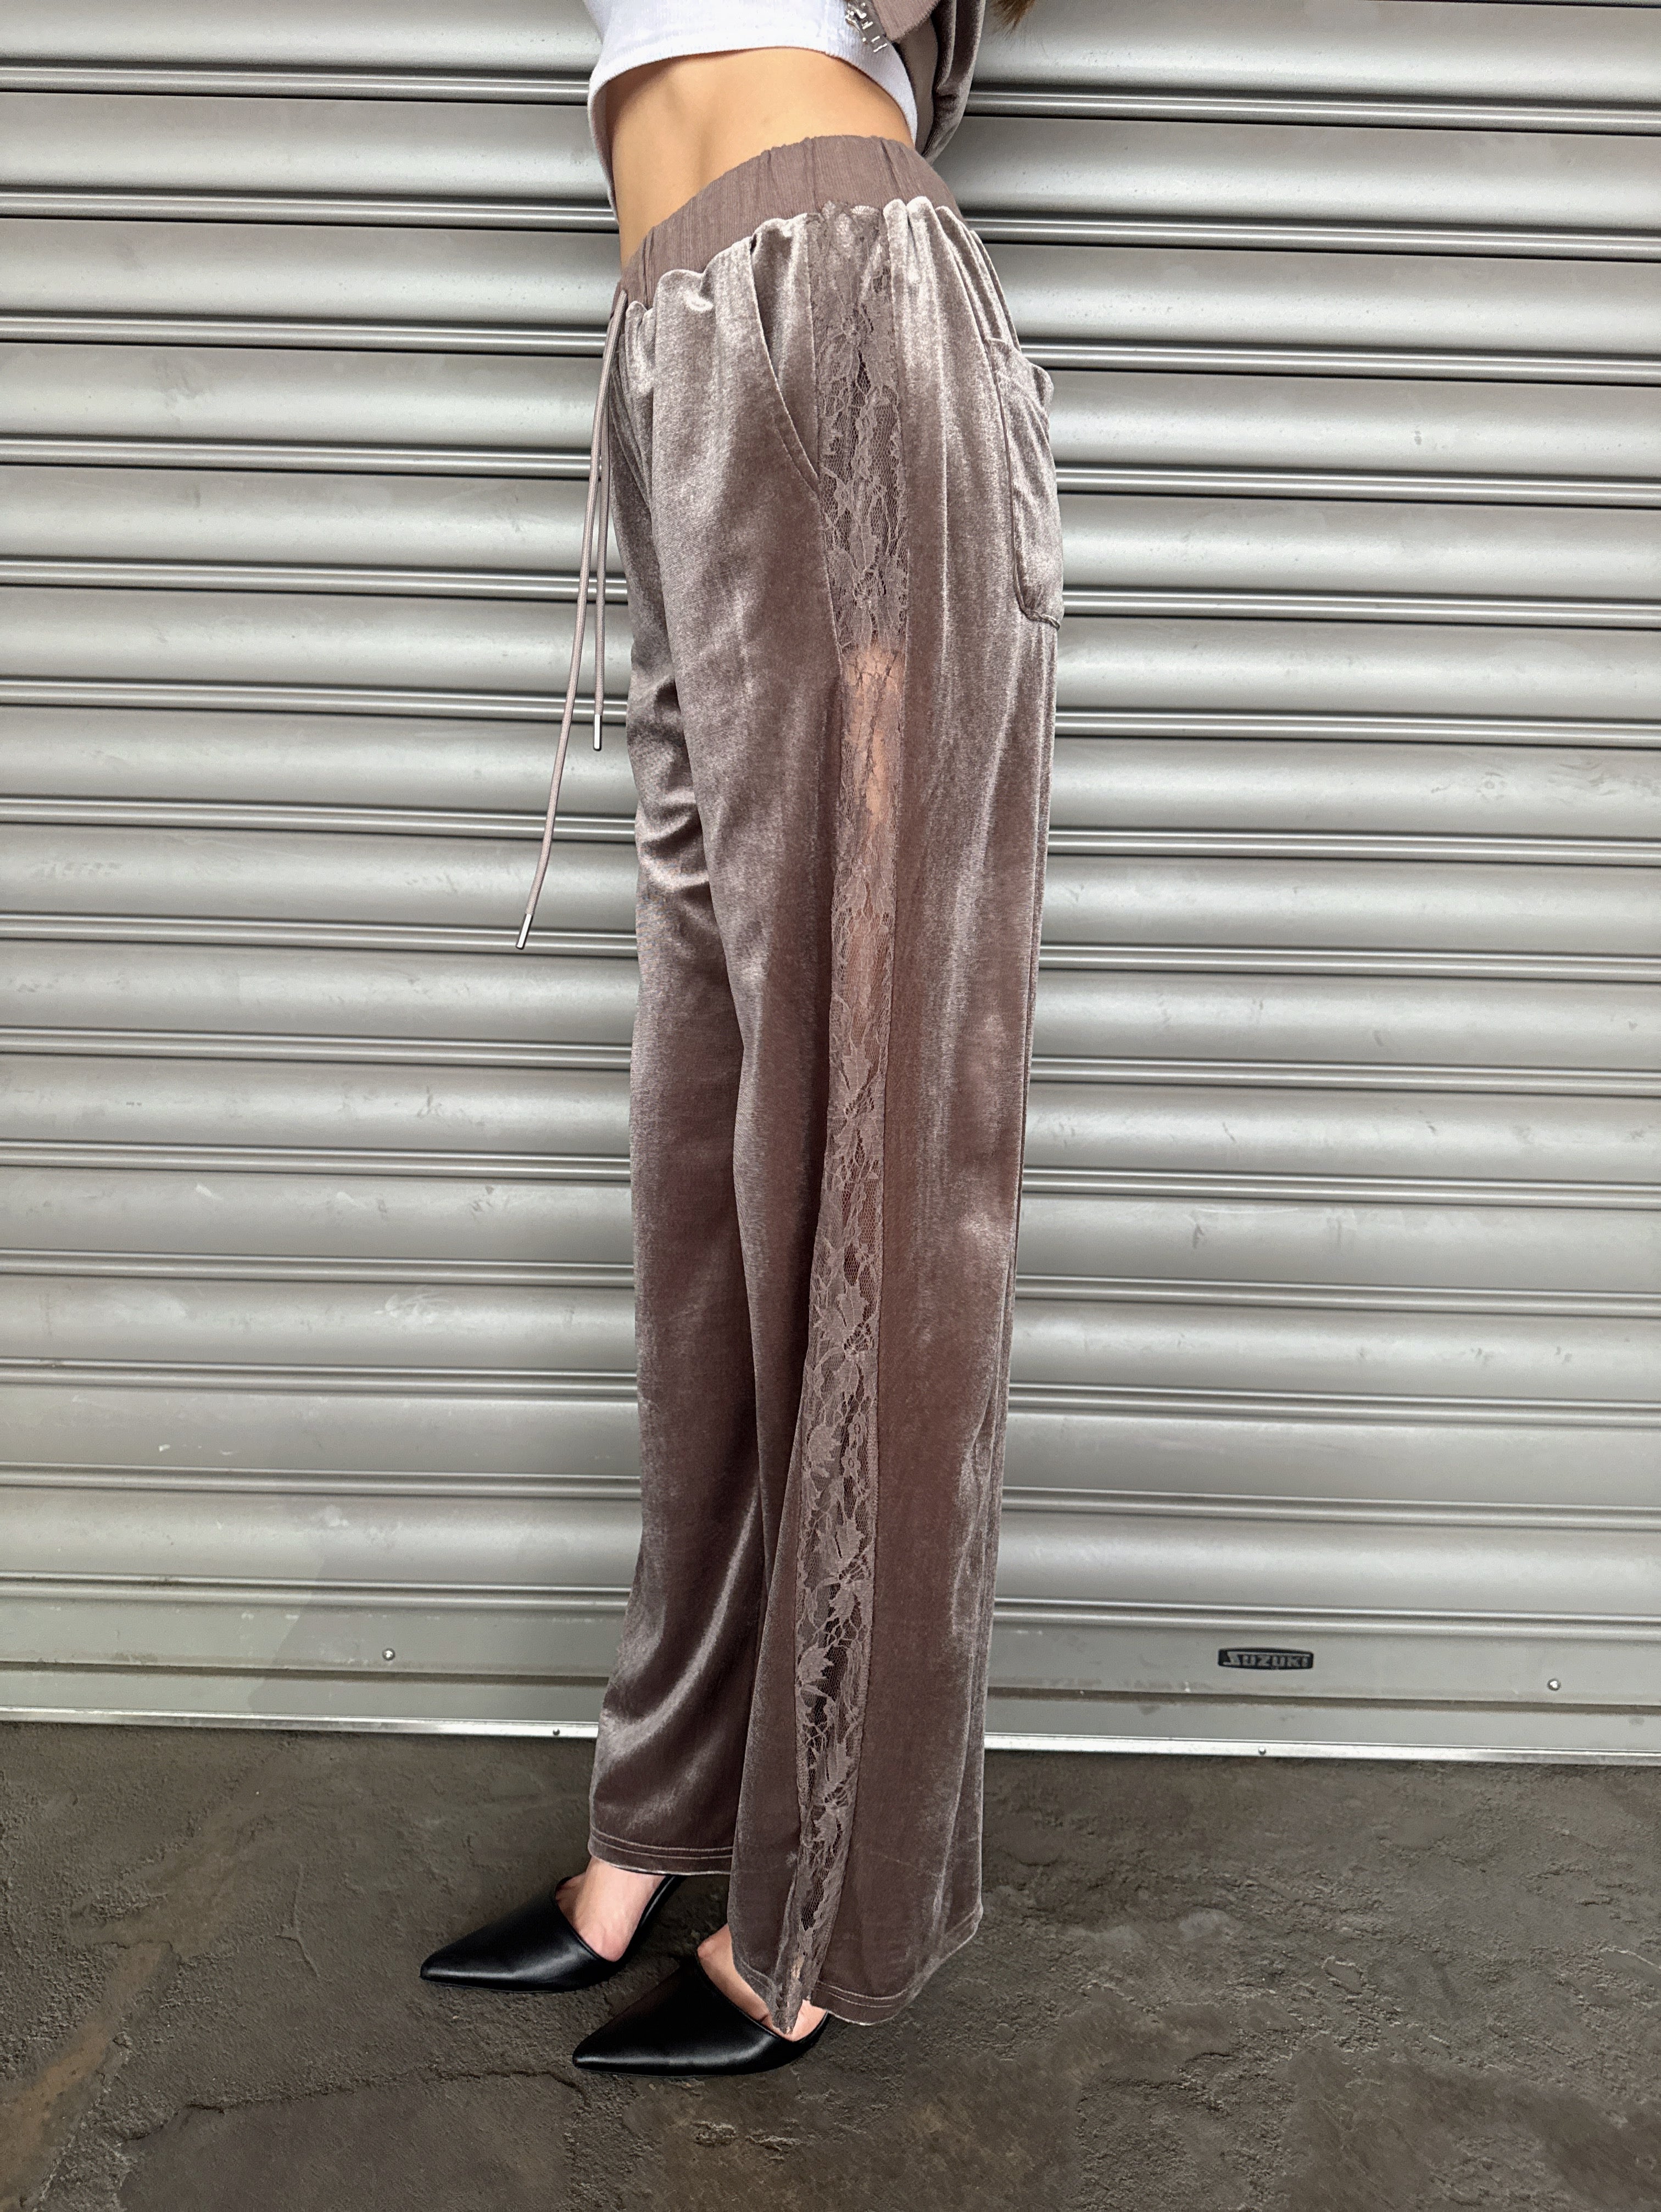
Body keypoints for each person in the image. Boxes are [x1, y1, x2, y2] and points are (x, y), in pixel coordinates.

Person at [421, 0, 1057, 2077]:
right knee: (707, 1179)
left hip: (844, 310)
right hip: (673, 347)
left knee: (871, 1143)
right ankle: (666, 1815)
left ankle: (831, 1913)